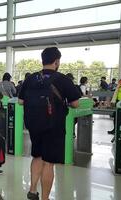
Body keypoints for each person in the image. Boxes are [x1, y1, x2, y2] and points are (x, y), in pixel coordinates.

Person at [18, 47, 80, 200]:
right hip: (54, 126)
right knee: (49, 163)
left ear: (43, 60)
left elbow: (20, 101)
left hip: (34, 125)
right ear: (57, 61)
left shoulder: (31, 78)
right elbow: (76, 104)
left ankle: (32, 191)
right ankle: (45, 198)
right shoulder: (62, 79)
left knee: (37, 156)